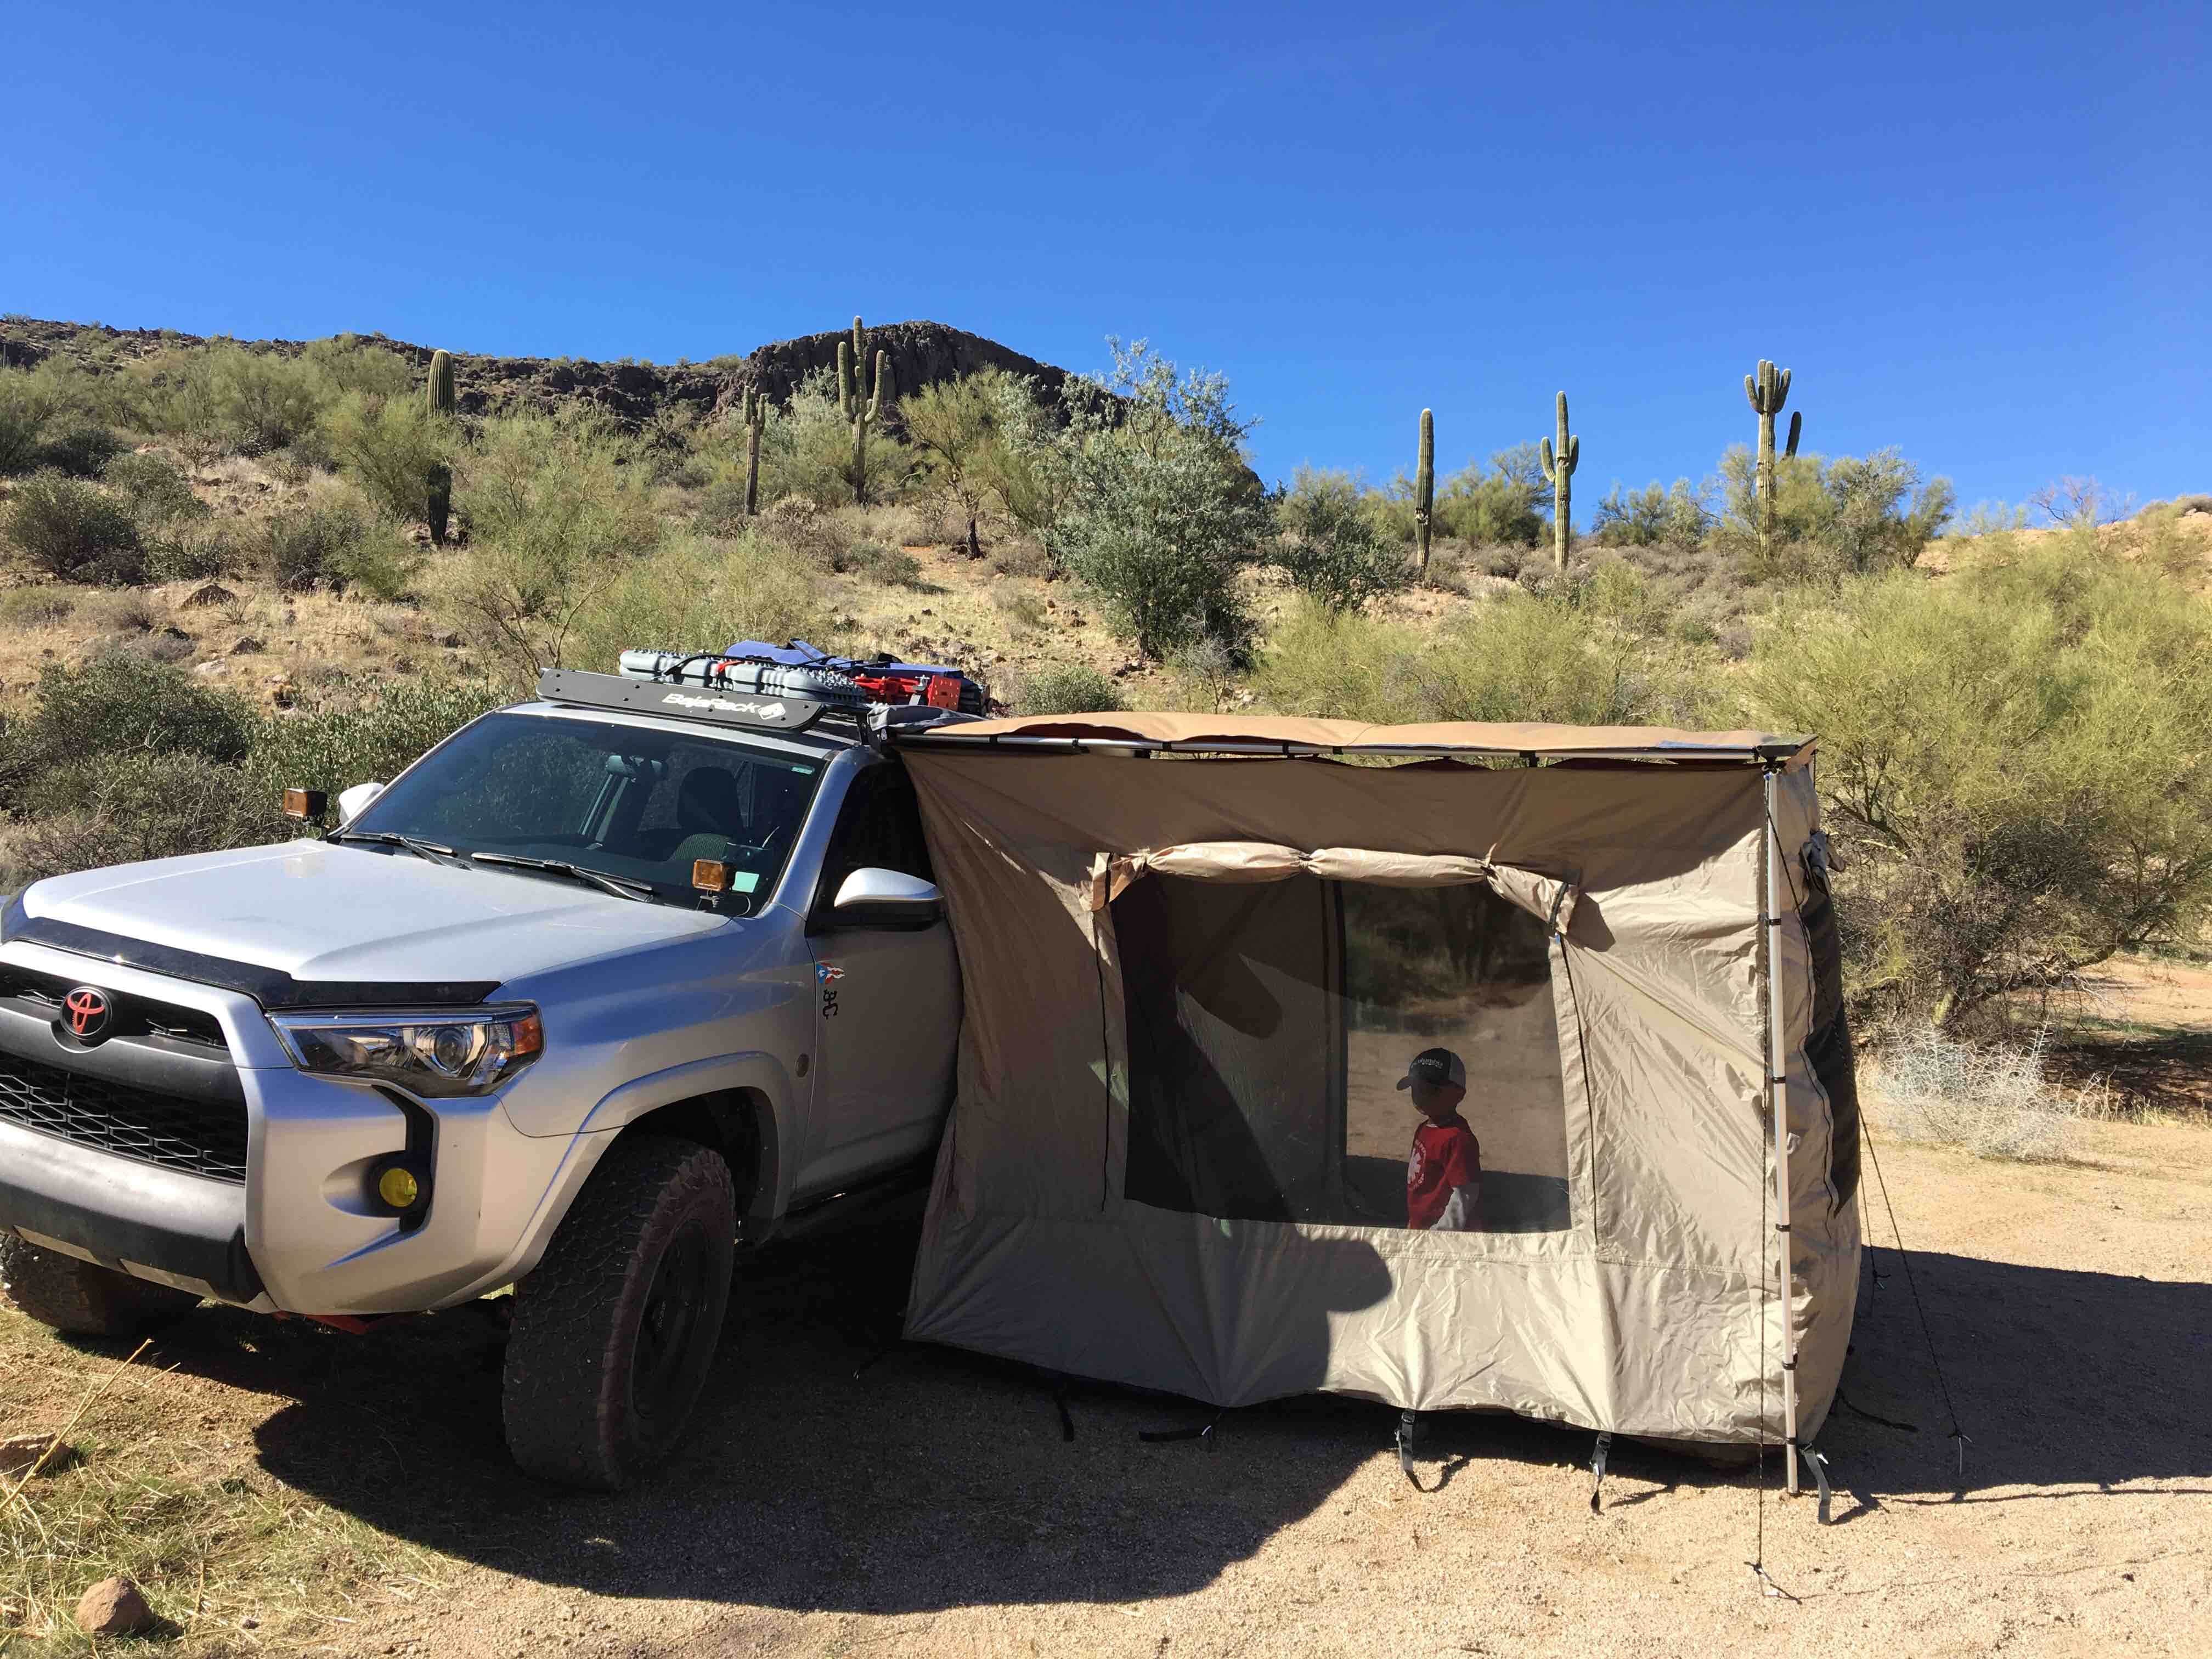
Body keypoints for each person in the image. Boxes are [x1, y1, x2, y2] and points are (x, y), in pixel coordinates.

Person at [1400, 1046, 1481, 1231]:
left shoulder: (1458, 1139)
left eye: (1429, 1090)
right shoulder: (1424, 1128)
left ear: (1458, 1094)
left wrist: (1439, 1235)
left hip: (1443, 1237)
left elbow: (1465, 1195)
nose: (1420, 1096)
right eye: (1416, 1089)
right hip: (1421, 1230)